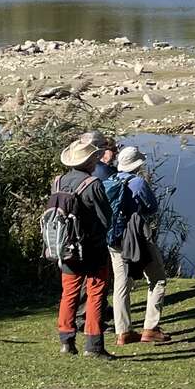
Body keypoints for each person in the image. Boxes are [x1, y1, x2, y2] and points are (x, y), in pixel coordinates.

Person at [56, 134, 113, 359]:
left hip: (65, 247)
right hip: (92, 248)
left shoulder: (58, 181)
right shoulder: (93, 184)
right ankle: (94, 346)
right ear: (90, 162)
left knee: (69, 294)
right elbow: (105, 218)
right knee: (96, 294)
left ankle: (66, 341)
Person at [110, 145, 171, 344]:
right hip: (136, 237)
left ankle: (123, 331)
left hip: (114, 239)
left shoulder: (109, 180)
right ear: (138, 164)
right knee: (158, 278)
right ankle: (150, 328)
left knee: (121, 283)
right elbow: (152, 207)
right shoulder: (137, 182)